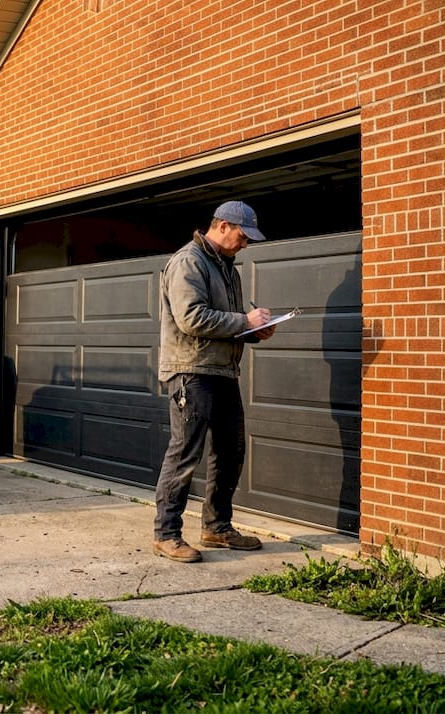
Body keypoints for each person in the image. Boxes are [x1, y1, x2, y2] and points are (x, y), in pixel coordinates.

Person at [152, 200, 276, 563]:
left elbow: (229, 321)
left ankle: (217, 528)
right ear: (222, 226)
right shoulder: (188, 261)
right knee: (184, 453)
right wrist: (245, 321)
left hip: (221, 371)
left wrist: (255, 331)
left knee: (231, 451)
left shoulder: (227, 269)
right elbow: (192, 318)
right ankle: (166, 534)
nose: (246, 243)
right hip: (191, 371)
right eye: (243, 235)